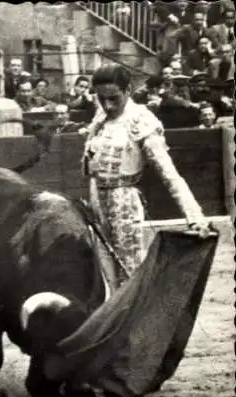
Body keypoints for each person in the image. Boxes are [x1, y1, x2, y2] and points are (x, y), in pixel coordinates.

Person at [82, 64, 210, 284]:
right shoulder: (100, 116)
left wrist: (195, 216)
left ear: (129, 90)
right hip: (96, 199)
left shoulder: (141, 119)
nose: (107, 105)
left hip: (123, 202)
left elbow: (169, 173)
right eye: (101, 99)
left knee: (129, 270)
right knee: (103, 273)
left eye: (113, 98)